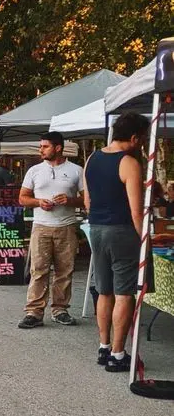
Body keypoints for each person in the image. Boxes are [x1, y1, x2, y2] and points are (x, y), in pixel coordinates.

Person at [84, 112, 149, 372]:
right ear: (134, 137)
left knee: (104, 289)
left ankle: (104, 346)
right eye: (142, 139)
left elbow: (87, 201)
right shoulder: (128, 163)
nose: (143, 144)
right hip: (121, 230)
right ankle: (119, 353)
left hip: (96, 228)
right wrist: (144, 239)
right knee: (124, 292)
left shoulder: (92, 158)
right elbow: (136, 211)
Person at [17, 132, 84, 329]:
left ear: (58, 147)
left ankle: (60, 309)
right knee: (38, 269)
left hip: (66, 226)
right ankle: (34, 312)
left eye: (45, 146)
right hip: (41, 226)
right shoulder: (34, 171)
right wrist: (38, 202)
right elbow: (22, 198)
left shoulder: (76, 170)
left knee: (65, 270)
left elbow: (86, 199)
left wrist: (70, 200)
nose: (41, 150)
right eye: (41, 146)